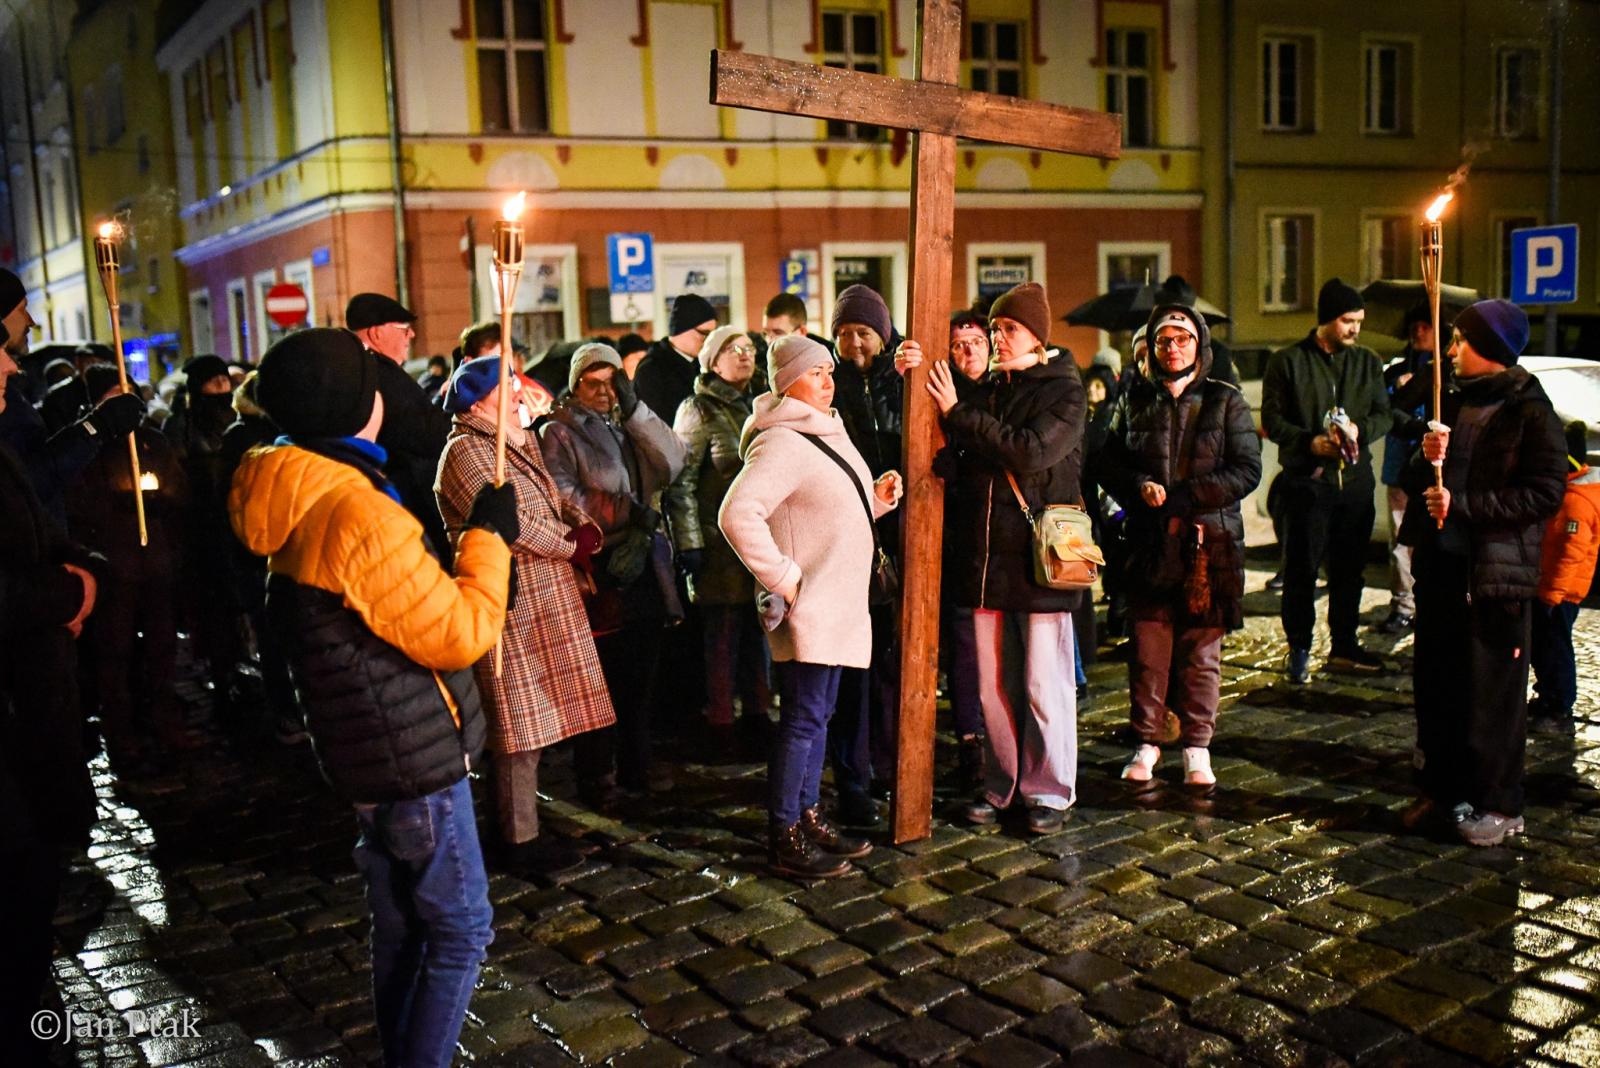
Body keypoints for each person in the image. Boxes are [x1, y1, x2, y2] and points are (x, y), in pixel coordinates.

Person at [229, 327, 513, 1066]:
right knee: (460, 930)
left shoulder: (300, 485)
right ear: (355, 406)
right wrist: (487, 541)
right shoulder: (357, 511)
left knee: (401, 930)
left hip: (363, 751)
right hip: (409, 758)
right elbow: (457, 634)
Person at [898, 282, 1086, 834]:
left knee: (1043, 683)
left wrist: (962, 417)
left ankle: (1050, 789)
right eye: (997, 329)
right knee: (993, 686)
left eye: (1008, 330)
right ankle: (1001, 784)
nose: (998, 339)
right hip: (984, 562)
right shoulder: (989, 391)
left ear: (1037, 337)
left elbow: (1031, 453)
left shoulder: (1064, 392)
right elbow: (965, 457)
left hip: (1038, 560)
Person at [719, 334, 902, 877]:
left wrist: (876, 502)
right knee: (802, 720)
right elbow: (737, 514)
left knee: (818, 716)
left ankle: (806, 814)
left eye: (829, 370)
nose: (829, 380)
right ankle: (784, 832)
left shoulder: (825, 429)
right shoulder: (781, 441)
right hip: (812, 606)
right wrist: (782, 575)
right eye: (816, 372)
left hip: (837, 603)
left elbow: (824, 509)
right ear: (787, 381)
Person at [436, 355, 615, 875]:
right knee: (517, 726)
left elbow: (551, 498)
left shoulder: (514, 439)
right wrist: (567, 544)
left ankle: (524, 824)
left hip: (547, 593)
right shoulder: (467, 452)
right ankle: (517, 838)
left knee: (537, 720)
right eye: (506, 389)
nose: (518, 396)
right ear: (478, 400)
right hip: (508, 596)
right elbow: (511, 524)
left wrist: (581, 524)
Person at [1399, 300, 1566, 847]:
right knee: (1439, 686)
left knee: (1491, 694)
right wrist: (1426, 456)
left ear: (1491, 349)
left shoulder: (1529, 410)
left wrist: (1464, 506)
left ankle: (1500, 802)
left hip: (1493, 574)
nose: (1450, 352)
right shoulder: (1452, 401)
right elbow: (1418, 478)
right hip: (1443, 569)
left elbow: (1545, 491)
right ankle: (1444, 791)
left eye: (1460, 342)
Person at [0, 295, 105, 1068]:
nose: (13, 360)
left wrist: (79, 563)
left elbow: (32, 520)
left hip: (31, 699)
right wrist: (67, 594)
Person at [1095, 305, 1261, 786]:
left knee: (1201, 653)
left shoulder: (1226, 401)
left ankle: (1197, 746)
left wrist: (1187, 496)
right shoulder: (1134, 399)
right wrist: (1139, 487)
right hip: (1151, 543)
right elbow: (1108, 462)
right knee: (1148, 650)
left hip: (1211, 544)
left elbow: (1247, 469)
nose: (1173, 348)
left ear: (1199, 345)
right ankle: (1147, 742)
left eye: (1182, 339)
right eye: (1164, 340)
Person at [540, 343, 685, 803]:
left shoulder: (627, 425)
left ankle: (637, 764)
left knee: (641, 672)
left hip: (642, 561)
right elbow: (564, 497)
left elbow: (673, 460)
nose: (604, 391)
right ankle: (597, 776)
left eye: (612, 381)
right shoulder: (558, 433)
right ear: (575, 384)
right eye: (594, 382)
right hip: (596, 566)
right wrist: (626, 510)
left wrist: (635, 406)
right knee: (599, 677)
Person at [1261, 278, 1393, 683]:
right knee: (1301, 569)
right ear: (1326, 320)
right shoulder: (1288, 362)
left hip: (1354, 484)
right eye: (1347, 320)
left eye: (1359, 321)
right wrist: (1310, 443)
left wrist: (1360, 430)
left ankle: (1344, 645)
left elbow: (1382, 413)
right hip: (1307, 483)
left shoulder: (1367, 361)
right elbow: (1272, 420)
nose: (1355, 328)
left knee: (1349, 570)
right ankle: (1299, 646)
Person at [66, 364, 192, 771]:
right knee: (114, 654)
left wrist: (158, 496)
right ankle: (121, 733)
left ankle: (163, 720)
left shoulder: (153, 442)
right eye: (112, 397)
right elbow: (78, 506)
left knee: (161, 647)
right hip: (115, 568)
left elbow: (179, 494)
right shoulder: (90, 451)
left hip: (156, 564)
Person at [665, 325, 772, 749]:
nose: (745, 356)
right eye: (733, 350)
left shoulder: (762, 403)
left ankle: (760, 714)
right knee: (724, 636)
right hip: (718, 544)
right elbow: (682, 482)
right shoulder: (698, 409)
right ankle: (722, 722)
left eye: (748, 349)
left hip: (759, 540)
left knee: (760, 631)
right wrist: (689, 542)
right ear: (712, 361)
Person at [828, 283, 904, 821]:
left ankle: (893, 762)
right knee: (854, 667)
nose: (854, 343)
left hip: (900, 535)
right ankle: (854, 776)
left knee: (894, 663)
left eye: (864, 332)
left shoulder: (902, 379)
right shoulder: (827, 385)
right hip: (849, 539)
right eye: (845, 333)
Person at [346, 292, 455, 565]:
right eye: (404, 329)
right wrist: (455, 405)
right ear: (376, 333)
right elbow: (426, 434)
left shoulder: (357, 369)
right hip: (407, 503)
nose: (412, 336)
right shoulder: (381, 373)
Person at [165, 354, 245, 714]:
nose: (222, 389)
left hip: (233, 520)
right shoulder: (181, 424)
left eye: (225, 382)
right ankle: (220, 666)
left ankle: (238, 658)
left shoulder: (235, 419)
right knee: (212, 602)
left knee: (236, 596)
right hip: (202, 525)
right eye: (214, 384)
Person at [937, 310, 991, 791]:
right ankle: (970, 741)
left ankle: (1001, 740)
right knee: (964, 648)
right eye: (957, 345)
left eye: (975, 340)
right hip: (957, 540)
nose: (968, 351)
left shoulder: (1005, 392)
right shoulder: (936, 397)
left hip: (1000, 537)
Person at [1378, 305, 1450, 634]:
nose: (1419, 331)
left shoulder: (1449, 371)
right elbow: (1386, 413)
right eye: (1415, 325)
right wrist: (1400, 389)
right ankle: (1403, 604)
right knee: (1400, 542)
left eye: (1426, 325)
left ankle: (1431, 603)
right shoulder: (1395, 371)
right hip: (1401, 468)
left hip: (1436, 470)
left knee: (1434, 543)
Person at [1529, 421, 1599, 733]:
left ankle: (1559, 708)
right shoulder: (1568, 494)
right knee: (1545, 646)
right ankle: (1547, 698)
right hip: (1550, 589)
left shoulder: (1575, 502)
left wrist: (1551, 596)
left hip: (1560, 594)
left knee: (1555, 648)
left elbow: (1570, 556)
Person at [634, 294, 717, 429]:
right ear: (681, 329)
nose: (709, 340)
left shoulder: (705, 365)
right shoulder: (651, 369)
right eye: (704, 333)